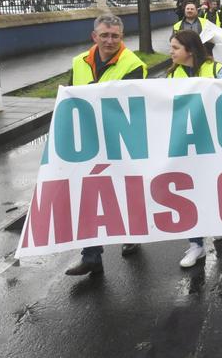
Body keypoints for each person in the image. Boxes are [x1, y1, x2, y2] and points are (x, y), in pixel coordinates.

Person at [65, 15, 148, 276]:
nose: (110, 40)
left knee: (124, 191)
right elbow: (70, 97)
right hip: (88, 140)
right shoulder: (78, 62)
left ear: (122, 37)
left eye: (115, 36)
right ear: (95, 36)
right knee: (88, 194)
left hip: (120, 140)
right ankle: (91, 255)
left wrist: (94, 93)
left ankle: (131, 232)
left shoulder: (134, 64)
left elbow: (126, 103)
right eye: (105, 35)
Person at [166, 29, 222, 267]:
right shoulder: (172, 76)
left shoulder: (216, 70)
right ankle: (196, 245)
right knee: (190, 191)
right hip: (187, 144)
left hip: (215, 142)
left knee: (214, 188)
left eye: (175, 48)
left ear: (189, 51)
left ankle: (217, 225)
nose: (170, 52)